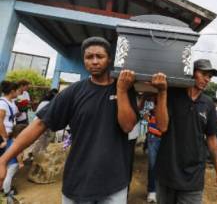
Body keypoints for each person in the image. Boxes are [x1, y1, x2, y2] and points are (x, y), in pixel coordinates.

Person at [0, 36, 167, 204]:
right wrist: (4, 159)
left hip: (114, 184)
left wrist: (122, 91)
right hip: (78, 182)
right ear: (84, 60)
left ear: (109, 59)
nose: (94, 61)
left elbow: (127, 126)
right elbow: (39, 124)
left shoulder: (124, 88)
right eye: (89, 57)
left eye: (99, 56)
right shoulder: (73, 93)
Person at [155, 59, 217, 204]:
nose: (207, 79)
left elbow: (212, 141)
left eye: (210, 76)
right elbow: (162, 127)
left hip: (193, 176)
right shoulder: (172, 94)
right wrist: (162, 92)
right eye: (204, 74)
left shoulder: (208, 104)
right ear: (192, 73)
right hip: (167, 171)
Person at [2, 124, 27, 196]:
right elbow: (18, 154)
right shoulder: (18, 143)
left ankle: (5, 188)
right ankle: (7, 192)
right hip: (13, 163)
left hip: (6, 161)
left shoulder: (9, 139)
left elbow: (3, 146)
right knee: (8, 176)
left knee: (5, 175)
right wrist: (20, 163)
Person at [0, 81, 19, 156]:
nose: (18, 92)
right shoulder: (2, 103)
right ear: (12, 91)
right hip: (2, 136)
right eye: (17, 90)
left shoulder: (11, 102)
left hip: (8, 134)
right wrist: (4, 137)